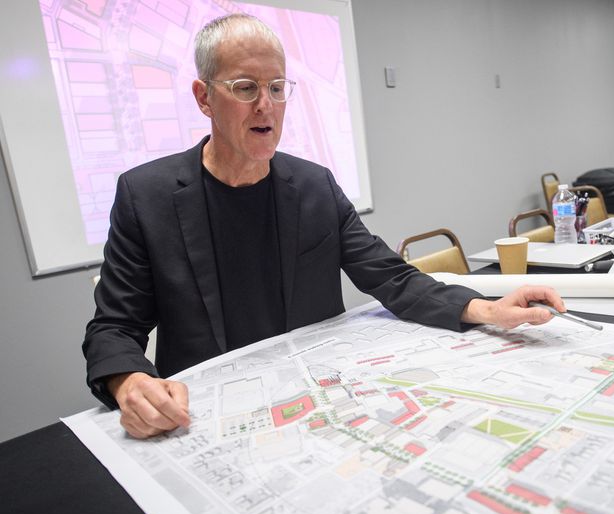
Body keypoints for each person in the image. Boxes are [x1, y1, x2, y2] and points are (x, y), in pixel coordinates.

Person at [83, 13, 566, 439]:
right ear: (203, 98)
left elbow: (391, 278)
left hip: (315, 404)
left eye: (276, 87)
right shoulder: (145, 195)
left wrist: (487, 308)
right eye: (245, 87)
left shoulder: (314, 186)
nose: (266, 106)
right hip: (207, 415)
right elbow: (115, 327)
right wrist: (129, 382)